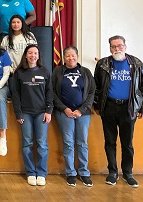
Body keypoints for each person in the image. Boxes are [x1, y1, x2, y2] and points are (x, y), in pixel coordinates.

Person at [94, 35, 143, 188]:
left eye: (120, 46)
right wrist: (97, 106)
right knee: (110, 141)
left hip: (128, 108)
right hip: (109, 107)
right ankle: (113, 172)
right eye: (113, 46)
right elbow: (96, 87)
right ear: (110, 48)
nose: (117, 49)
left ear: (125, 46)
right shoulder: (103, 64)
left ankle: (128, 173)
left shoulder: (136, 64)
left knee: (127, 143)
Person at [52, 46, 95, 187]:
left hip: (83, 113)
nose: (71, 58)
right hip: (64, 113)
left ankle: (84, 172)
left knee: (82, 143)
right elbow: (52, 93)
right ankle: (70, 173)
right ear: (64, 58)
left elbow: (91, 92)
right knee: (68, 143)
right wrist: (64, 109)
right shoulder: (57, 72)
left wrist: (82, 110)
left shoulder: (86, 72)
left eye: (73, 56)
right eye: (68, 56)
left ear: (77, 56)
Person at [12, 45, 53, 186]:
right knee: (27, 143)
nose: (33, 55)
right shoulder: (19, 73)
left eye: (35, 53)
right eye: (30, 53)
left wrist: (49, 111)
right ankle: (30, 172)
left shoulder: (45, 71)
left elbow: (49, 93)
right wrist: (18, 112)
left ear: (39, 55)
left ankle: (41, 173)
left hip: (42, 113)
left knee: (42, 144)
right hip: (25, 113)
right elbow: (15, 95)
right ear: (25, 55)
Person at [1, 15, 37, 94]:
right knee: (15, 94)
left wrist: (29, 68)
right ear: (10, 24)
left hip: (28, 71)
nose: (16, 24)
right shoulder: (6, 39)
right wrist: (11, 70)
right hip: (13, 73)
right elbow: (3, 58)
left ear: (22, 23)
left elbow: (34, 54)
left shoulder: (29, 36)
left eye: (18, 22)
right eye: (13, 22)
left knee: (28, 93)